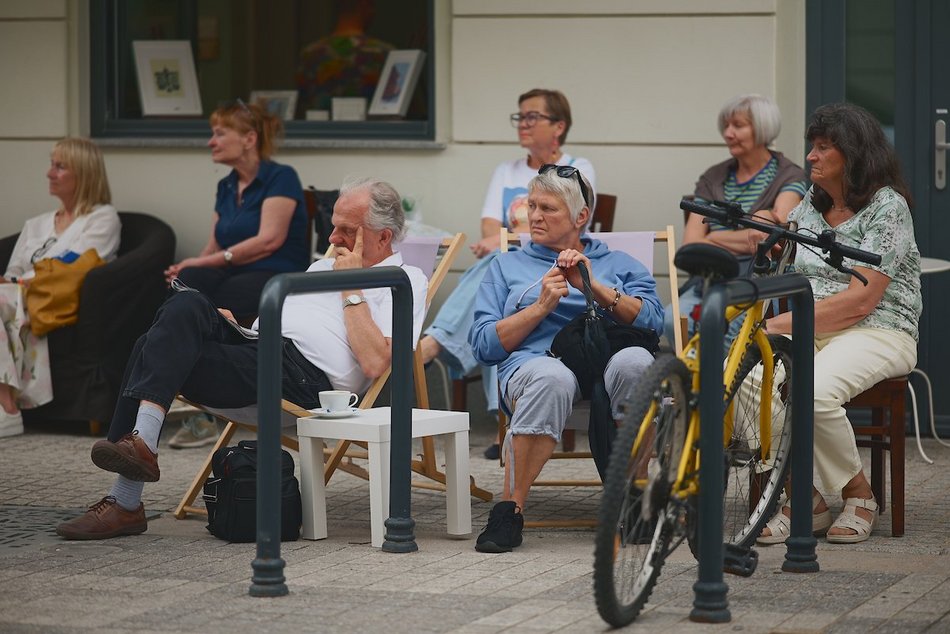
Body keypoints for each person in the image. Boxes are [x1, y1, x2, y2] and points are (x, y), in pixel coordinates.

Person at [55, 177, 428, 540]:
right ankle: (141, 449)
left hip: (305, 381)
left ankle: (127, 497)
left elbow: (376, 363)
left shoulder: (405, 280)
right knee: (185, 305)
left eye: (347, 231)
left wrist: (351, 284)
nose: (332, 240)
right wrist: (239, 326)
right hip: (258, 347)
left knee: (148, 346)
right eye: (333, 228)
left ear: (382, 237)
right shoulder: (321, 267)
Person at [468, 167, 663, 553]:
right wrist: (539, 308)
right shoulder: (505, 266)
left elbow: (655, 322)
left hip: (610, 360)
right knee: (551, 378)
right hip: (535, 363)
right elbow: (483, 346)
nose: (535, 216)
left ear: (580, 217)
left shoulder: (619, 263)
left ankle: (635, 498)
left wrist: (595, 287)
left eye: (548, 208)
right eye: (532, 206)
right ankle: (510, 509)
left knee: (636, 363)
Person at [756, 102, 921, 545]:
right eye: (812, 145)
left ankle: (858, 494)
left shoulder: (888, 207)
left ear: (854, 154)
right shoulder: (811, 204)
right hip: (811, 326)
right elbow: (787, 265)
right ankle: (804, 501)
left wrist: (778, 325)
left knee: (810, 391)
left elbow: (862, 301)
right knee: (750, 382)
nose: (810, 155)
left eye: (824, 146)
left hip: (880, 329)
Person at [418, 88, 596, 459]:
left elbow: (577, 223)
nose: (523, 124)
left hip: (556, 263)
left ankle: (436, 343)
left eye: (533, 117)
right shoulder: (506, 170)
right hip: (510, 262)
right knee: (500, 291)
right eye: (520, 116)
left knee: (495, 279)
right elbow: (488, 227)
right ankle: (505, 418)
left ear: (558, 126)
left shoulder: (579, 166)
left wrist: (504, 239)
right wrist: (503, 242)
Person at [163, 98, 308, 449]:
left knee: (213, 302)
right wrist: (186, 269)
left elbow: (268, 242)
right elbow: (214, 245)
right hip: (234, 273)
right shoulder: (226, 185)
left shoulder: (281, 177)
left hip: (276, 275)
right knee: (185, 290)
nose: (211, 141)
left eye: (218, 133)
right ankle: (175, 390)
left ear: (249, 139)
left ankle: (207, 408)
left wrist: (203, 264)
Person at [0, 138, 121, 438]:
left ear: (84, 173)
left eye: (60, 166)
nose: (49, 173)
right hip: (17, 296)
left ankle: (7, 406)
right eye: (51, 164)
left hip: (56, 302)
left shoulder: (102, 219)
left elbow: (75, 270)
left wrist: (17, 282)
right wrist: (15, 281)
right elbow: (13, 270)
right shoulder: (36, 224)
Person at [667, 94, 807, 343]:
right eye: (727, 126)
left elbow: (772, 236)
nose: (728, 133)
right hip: (709, 280)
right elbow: (691, 245)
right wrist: (746, 236)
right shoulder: (713, 178)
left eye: (738, 126)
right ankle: (694, 381)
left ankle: (718, 382)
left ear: (762, 129)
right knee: (670, 319)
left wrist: (714, 237)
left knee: (727, 330)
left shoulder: (788, 176)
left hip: (757, 282)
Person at [295, 0, 394, 114]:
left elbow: (298, 108)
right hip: (373, 131)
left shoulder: (310, 55)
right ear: (364, 4)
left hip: (318, 131)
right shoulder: (383, 54)